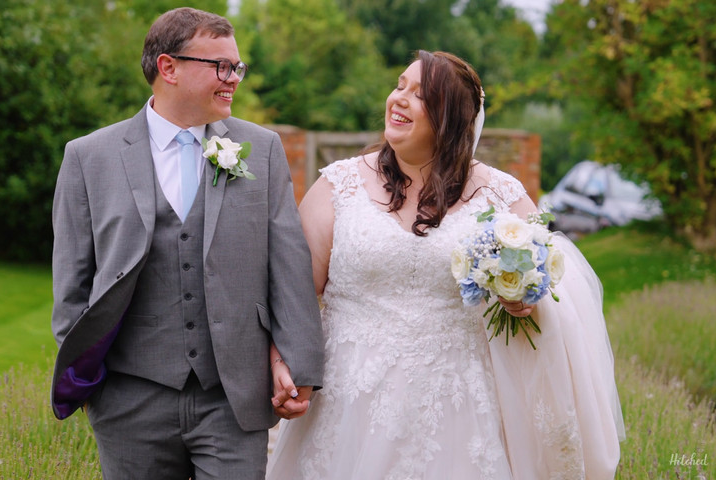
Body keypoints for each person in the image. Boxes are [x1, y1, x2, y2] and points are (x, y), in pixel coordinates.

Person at [267, 50, 625, 479]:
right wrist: (285, 368)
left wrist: (522, 298)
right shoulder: (338, 186)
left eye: (419, 94)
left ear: (452, 118)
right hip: (347, 404)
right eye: (399, 85)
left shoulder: (499, 194)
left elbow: (551, 280)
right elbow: (296, 295)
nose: (399, 98)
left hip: (458, 410)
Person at [48, 7, 324, 480]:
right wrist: (96, 391)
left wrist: (299, 366)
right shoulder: (88, 157)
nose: (232, 77)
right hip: (130, 400)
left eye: (236, 66)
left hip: (233, 398)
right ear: (168, 68)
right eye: (219, 65)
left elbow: (289, 265)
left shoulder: (262, 148)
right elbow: (72, 283)